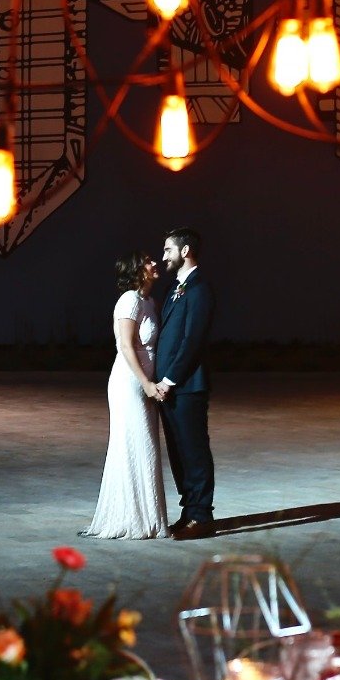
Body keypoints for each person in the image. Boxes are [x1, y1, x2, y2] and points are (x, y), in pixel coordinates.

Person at [82, 251, 169, 540]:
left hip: (143, 382)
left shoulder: (149, 302)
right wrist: (145, 382)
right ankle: (131, 519)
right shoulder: (129, 300)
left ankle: (148, 519)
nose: (154, 262)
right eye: (147, 261)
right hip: (129, 383)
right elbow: (126, 346)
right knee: (136, 444)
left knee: (145, 446)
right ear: (136, 270)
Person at [155, 227, 215, 536]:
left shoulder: (199, 289)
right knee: (179, 452)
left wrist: (169, 379)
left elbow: (192, 340)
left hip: (187, 386)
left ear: (185, 251)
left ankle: (202, 517)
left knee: (194, 451)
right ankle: (188, 511)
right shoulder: (174, 289)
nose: (163, 256)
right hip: (169, 389)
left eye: (168, 250)